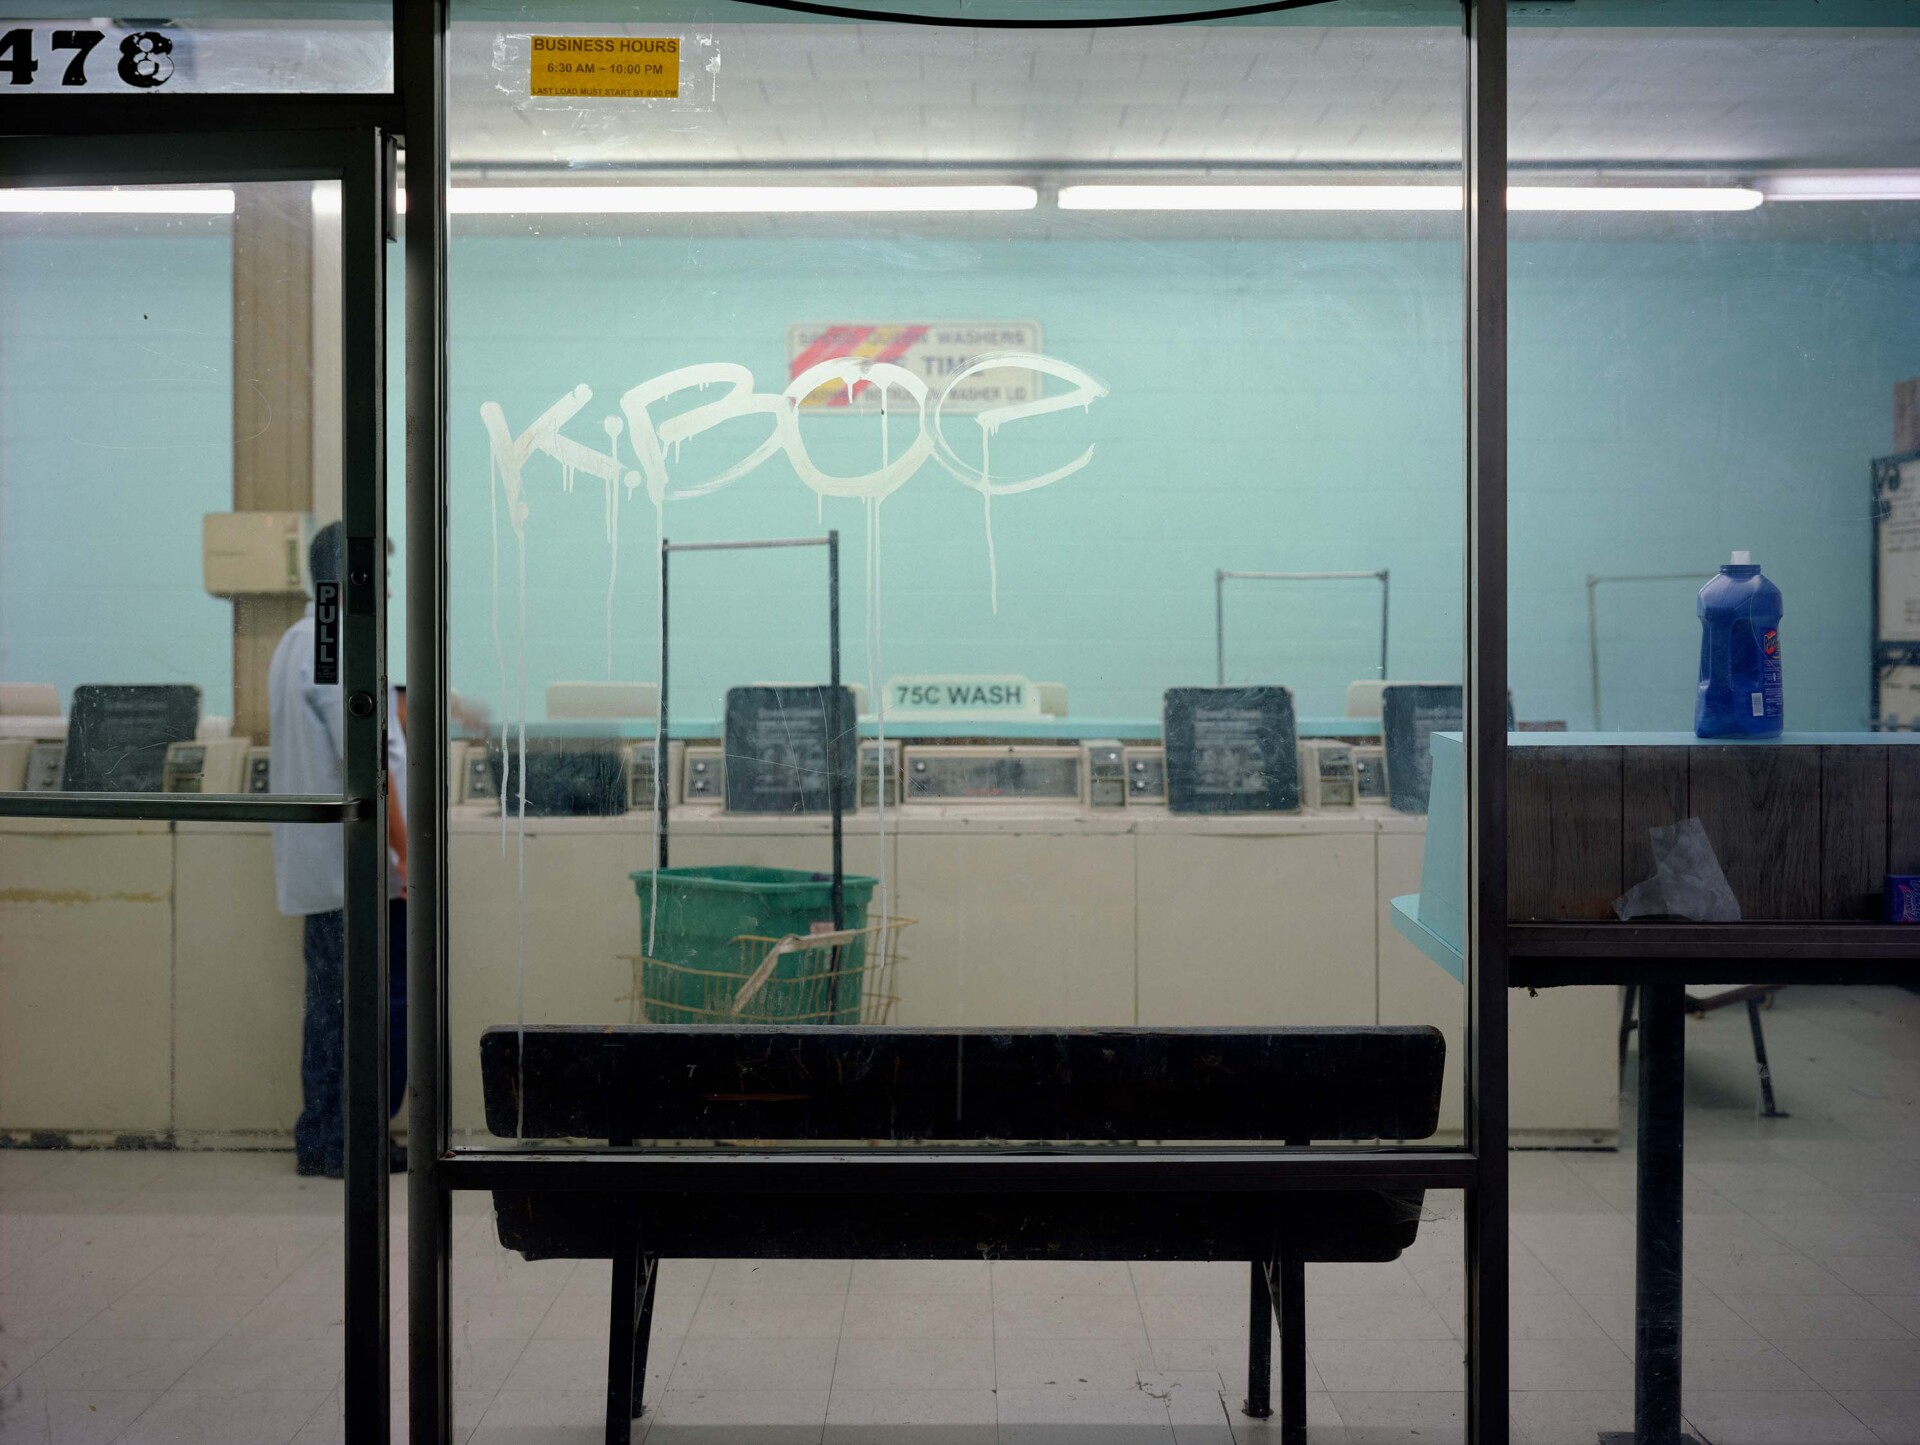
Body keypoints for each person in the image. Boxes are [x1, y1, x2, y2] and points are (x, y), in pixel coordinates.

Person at [268, 521, 409, 1178]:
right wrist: (409, 854)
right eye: (377, 575)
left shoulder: (304, 638)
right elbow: (366, 761)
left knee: (335, 1007)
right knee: (347, 1012)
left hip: (333, 866)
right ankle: (336, 1140)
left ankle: (333, 1136)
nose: (384, 587)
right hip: (348, 867)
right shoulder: (332, 641)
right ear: (347, 579)